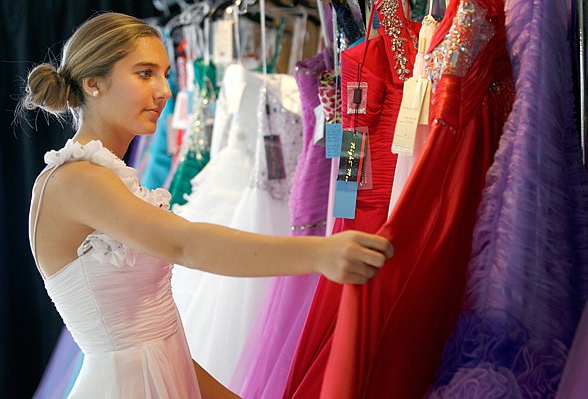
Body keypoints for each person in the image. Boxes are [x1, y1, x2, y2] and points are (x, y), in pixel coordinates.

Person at [20, 12, 394, 399]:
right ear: (92, 83)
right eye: (145, 73)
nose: (165, 90)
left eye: (165, 74)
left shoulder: (112, 179)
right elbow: (185, 244)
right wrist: (320, 254)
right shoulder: (77, 180)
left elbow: (161, 340)